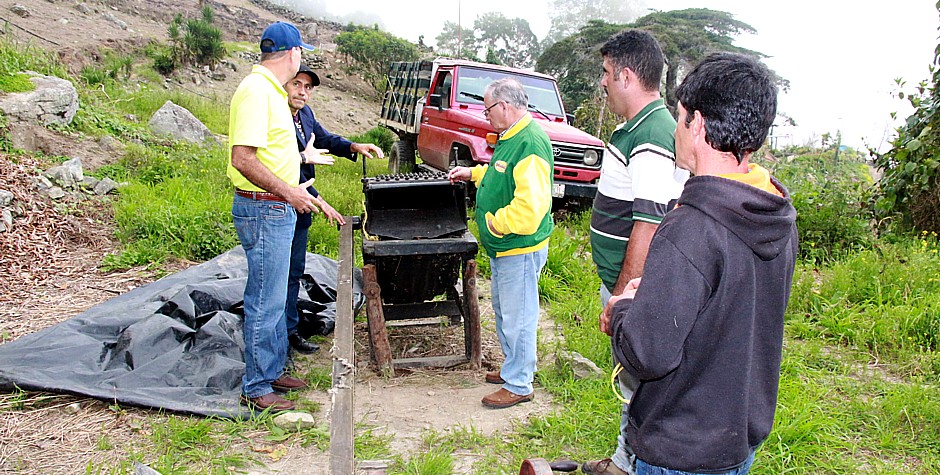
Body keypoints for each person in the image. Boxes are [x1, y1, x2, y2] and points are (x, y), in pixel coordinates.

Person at [607, 52, 798, 475]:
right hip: (735, 440)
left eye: (679, 118)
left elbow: (647, 354)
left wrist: (623, 310)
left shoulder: (691, 228)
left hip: (680, 448)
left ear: (697, 125)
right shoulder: (777, 213)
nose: (676, 130)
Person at [583, 29, 689, 475]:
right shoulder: (639, 129)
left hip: (634, 288)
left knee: (636, 381)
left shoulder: (652, 135)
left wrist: (626, 297)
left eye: (607, 73)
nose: (603, 82)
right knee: (630, 379)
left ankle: (629, 464)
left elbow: (648, 224)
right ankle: (625, 459)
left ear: (626, 75)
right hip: (625, 283)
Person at [228, 21, 326, 412]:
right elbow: (243, 157)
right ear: (293, 54)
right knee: (265, 299)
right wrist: (289, 191)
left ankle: (271, 370)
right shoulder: (256, 91)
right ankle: (256, 387)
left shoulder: (270, 91)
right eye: (302, 52)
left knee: (276, 293)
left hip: (277, 206)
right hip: (266, 207)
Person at [448, 78, 553, 409]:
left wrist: (496, 223)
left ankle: (520, 383)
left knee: (518, 315)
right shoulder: (511, 136)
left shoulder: (531, 142)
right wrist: (473, 174)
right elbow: (500, 173)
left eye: (488, 108)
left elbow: (531, 209)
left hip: (519, 247)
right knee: (507, 312)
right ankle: (513, 369)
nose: (485, 114)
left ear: (505, 106)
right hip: (505, 248)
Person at [283, 63, 384, 355]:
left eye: (307, 87)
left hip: (302, 206)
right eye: (296, 84)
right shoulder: (276, 116)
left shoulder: (305, 115)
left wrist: (354, 146)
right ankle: (280, 334)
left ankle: (289, 331)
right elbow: (278, 163)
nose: (302, 92)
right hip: (280, 205)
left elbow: (325, 140)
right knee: (278, 274)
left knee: (294, 271)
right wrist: (318, 194)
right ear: (284, 84)